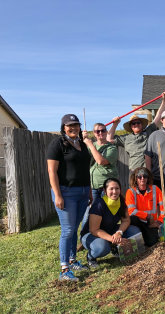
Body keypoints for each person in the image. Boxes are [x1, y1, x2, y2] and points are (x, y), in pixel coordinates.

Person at [47, 114, 91, 282]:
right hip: (66, 193)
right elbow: (52, 171)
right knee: (67, 230)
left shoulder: (81, 144)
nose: (73, 128)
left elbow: (85, 169)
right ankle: (64, 269)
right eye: (69, 125)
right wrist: (57, 194)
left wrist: (88, 191)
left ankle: (73, 260)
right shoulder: (57, 144)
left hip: (83, 191)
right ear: (63, 127)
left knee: (75, 228)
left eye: (76, 125)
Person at [80, 178, 141, 268]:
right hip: (91, 235)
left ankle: (114, 248)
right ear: (105, 191)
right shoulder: (99, 204)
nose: (115, 192)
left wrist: (119, 233)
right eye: (111, 189)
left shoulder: (121, 201)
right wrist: (113, 239)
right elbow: (94, 230)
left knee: (134, 231)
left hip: (110, 230)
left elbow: (126, 220)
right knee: (103, 248)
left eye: (117, 188)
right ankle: (91, 257)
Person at [107, 92, 165, 172]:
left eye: (138, 122)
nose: (136, 124)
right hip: (134, 171)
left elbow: (158, 115)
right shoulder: (126, 138)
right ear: (131, 126)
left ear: (142, 124)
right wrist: (115, 124)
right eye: (133, 123)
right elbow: (109, 139)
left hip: (149, 171)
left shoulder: (148, 131)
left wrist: (164, 101)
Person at [125, 167, 165, 247]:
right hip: (138, 222)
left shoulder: (155, 189)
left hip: (152, 224)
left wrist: (159, 222)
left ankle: (145, 239)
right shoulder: (130, 192)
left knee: (152, 243)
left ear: (148, 178)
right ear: (136, 178)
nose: (142, 179)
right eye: (139, 177)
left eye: (145, 176)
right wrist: (147, 216)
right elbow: (131, 211)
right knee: (132, 218)